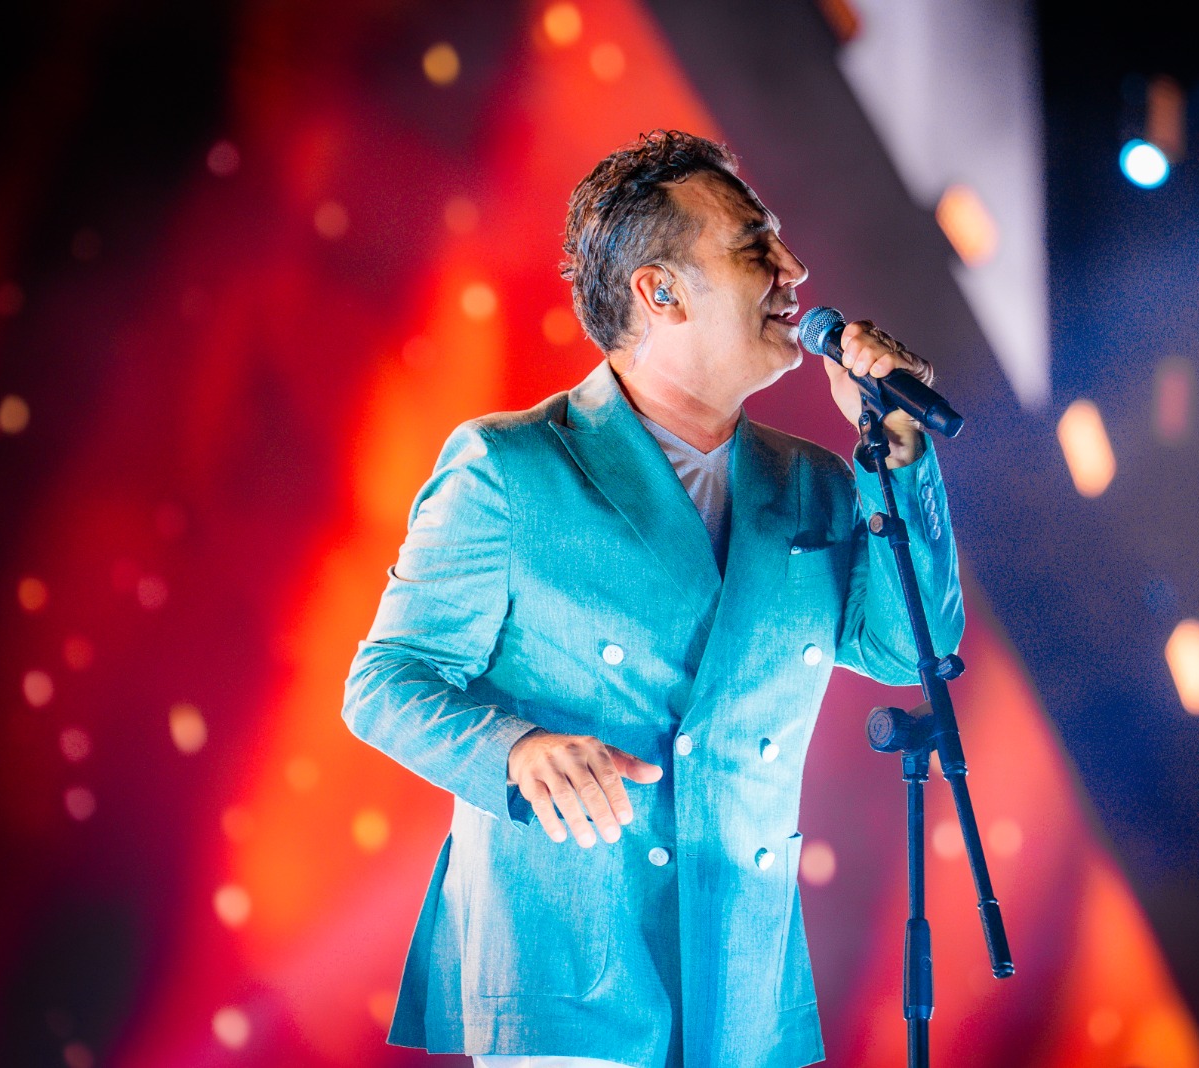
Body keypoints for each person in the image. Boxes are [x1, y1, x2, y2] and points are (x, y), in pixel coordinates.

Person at [341, 130, 964, 1068]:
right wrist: (516, 750)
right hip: (570, 977)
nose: (794, 271)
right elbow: (385, 681)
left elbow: (912, 652)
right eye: (754, 245)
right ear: (660, 292)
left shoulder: (815, 481)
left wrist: (901, 462)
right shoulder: (511, 466)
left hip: (743, 973)